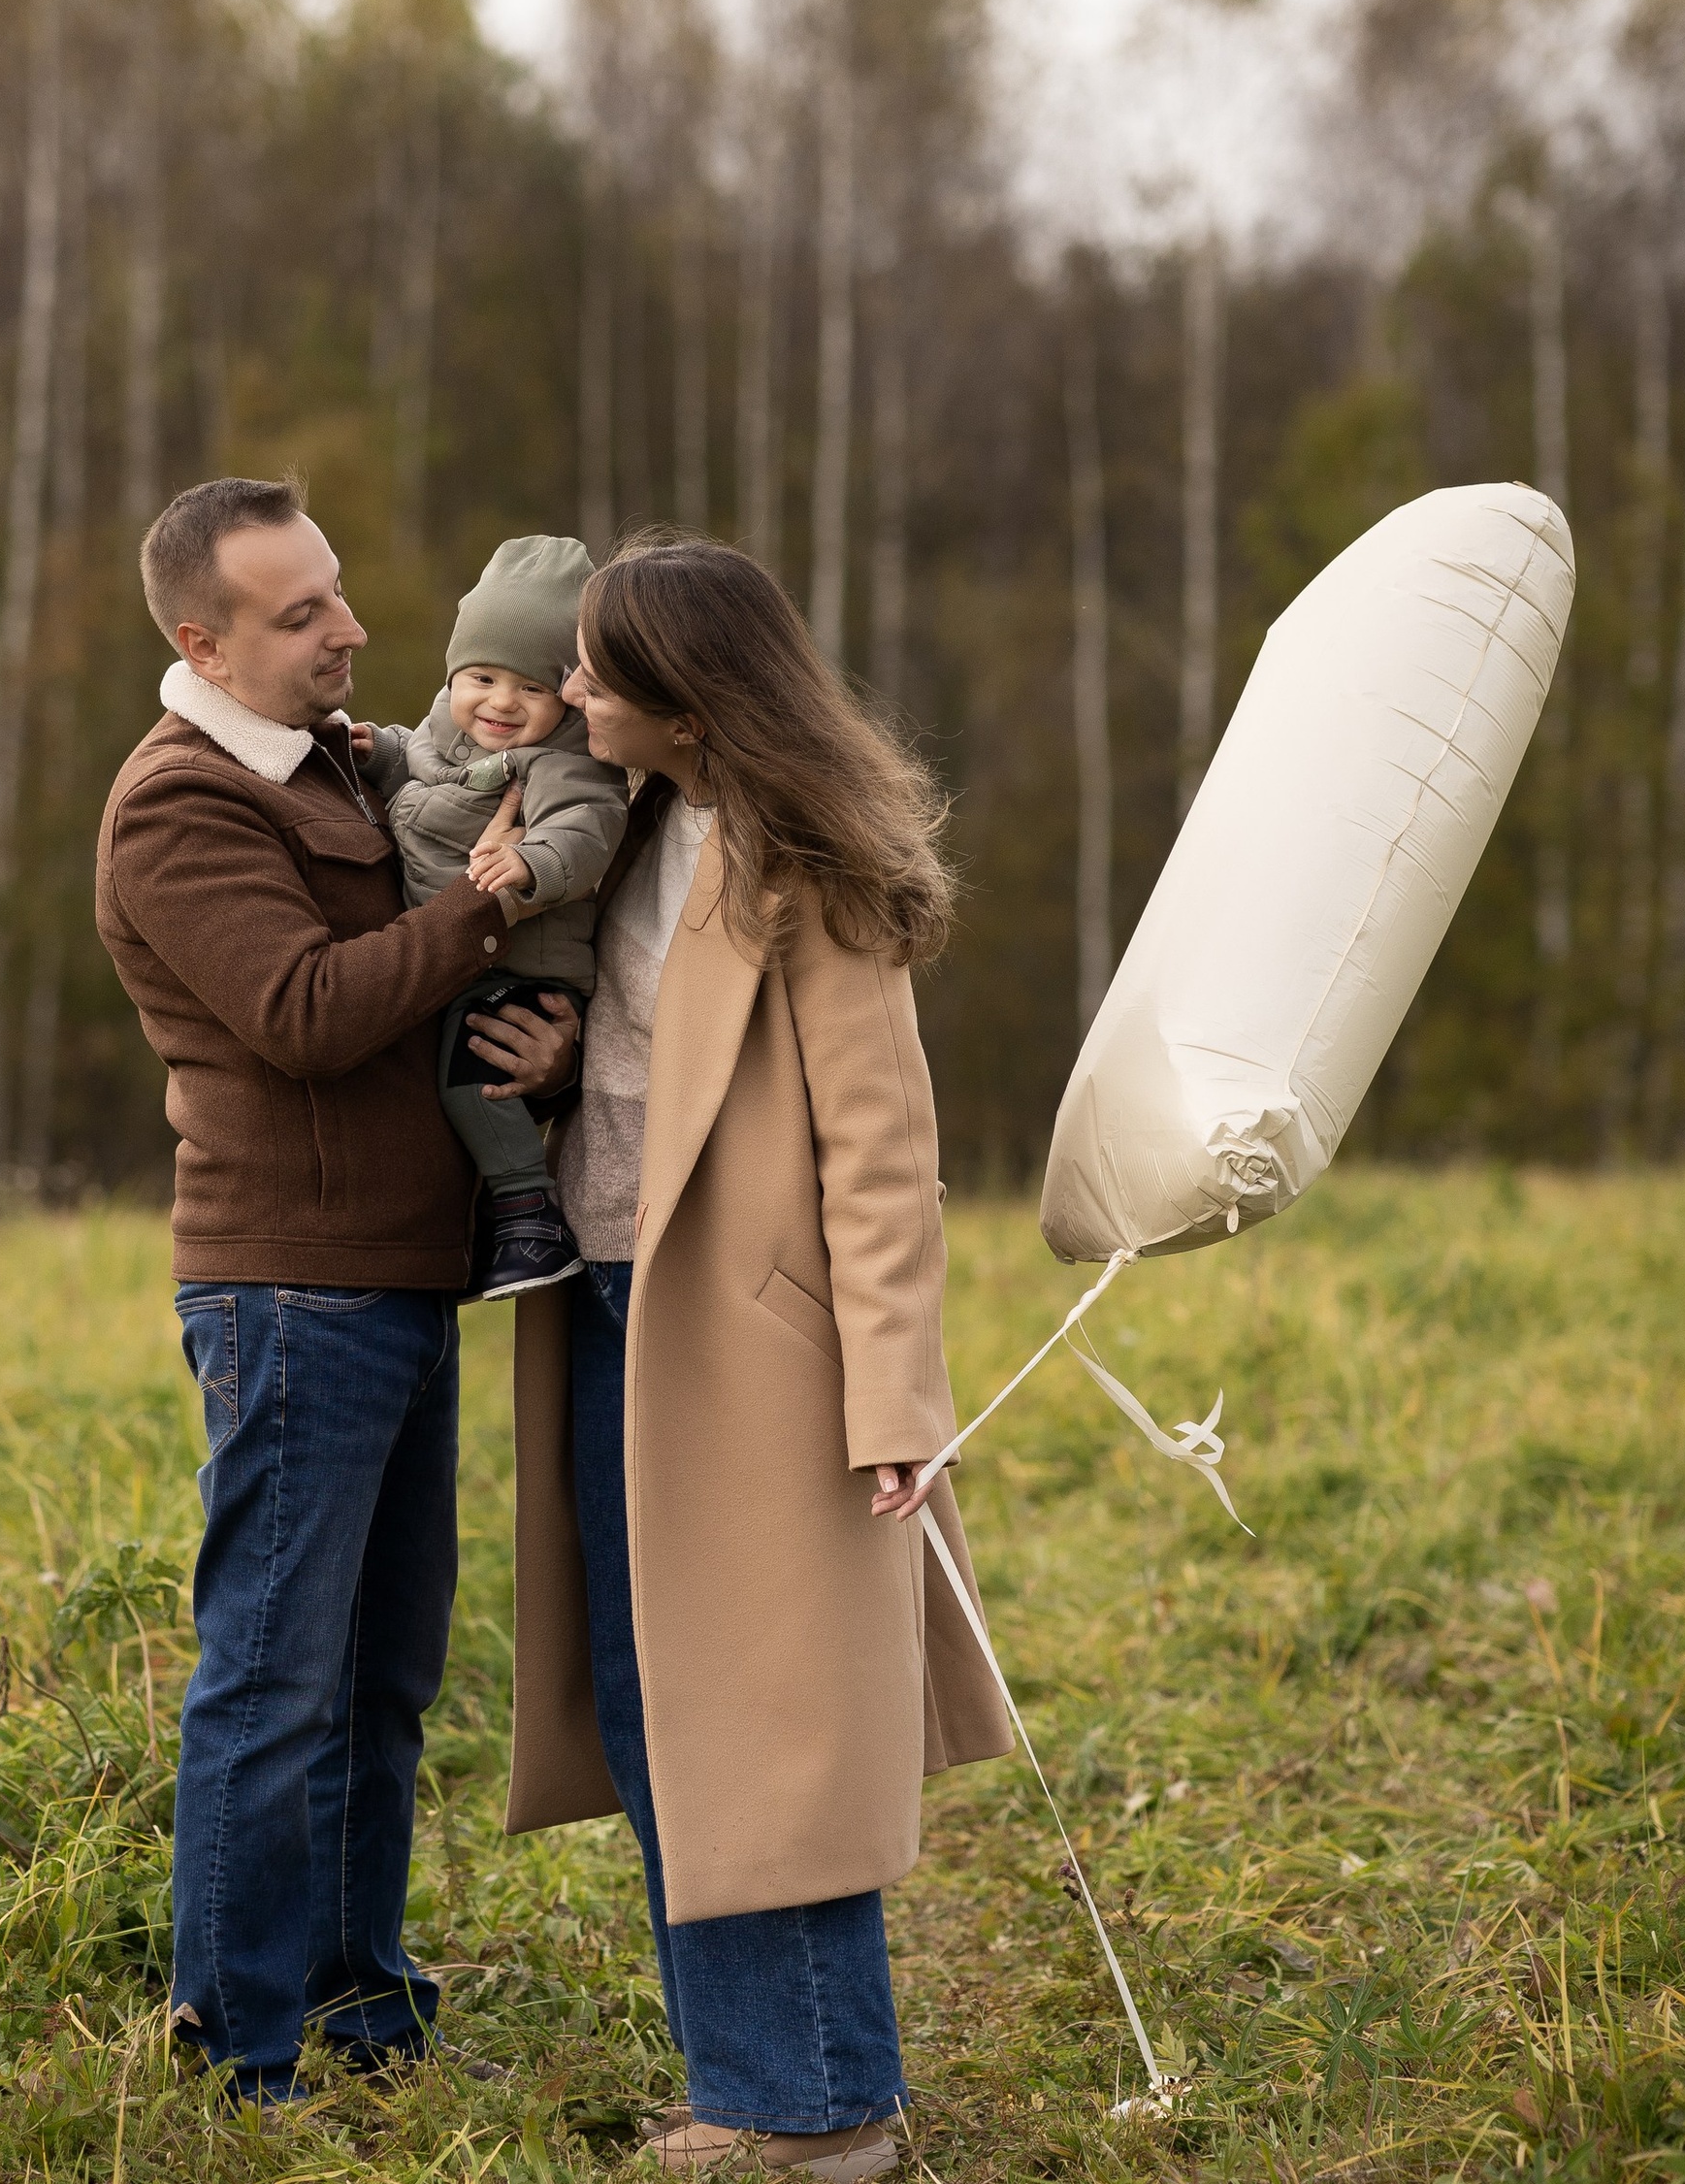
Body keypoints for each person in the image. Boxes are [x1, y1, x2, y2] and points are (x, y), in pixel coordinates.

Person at [481, 531, 1016, 2180]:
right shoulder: (627, 827)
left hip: (755, 1351)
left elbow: (880, 1155)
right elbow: (651, 1073)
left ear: (680, 698)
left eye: (592, 667)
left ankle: (824, 2119)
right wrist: (562, 1073)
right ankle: (760, 2089)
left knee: (764, 1727)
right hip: (612, 1309)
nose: (570, 689)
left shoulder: (812, 872)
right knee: (655, 1712)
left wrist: (893, 1400)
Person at [93, 474, 563, 2103]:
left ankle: (368, 2008)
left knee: (381, 1678)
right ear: (202, 642)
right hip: (288, 1292)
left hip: (395, 1281)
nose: (350, 631)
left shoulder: (356, 762)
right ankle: (240, 2050)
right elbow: (299, 1010)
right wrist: (484, 907)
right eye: (301, 616)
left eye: (343, 594)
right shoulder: (180, 805)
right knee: (276, 1679)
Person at [356, 534, 631, 1300]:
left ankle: (527, 1217)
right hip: (464, 956)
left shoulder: (566, 761)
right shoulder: (450, 724)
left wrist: (532, 864)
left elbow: (588, 828)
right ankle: (494, 1215)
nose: (501, 703)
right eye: (482, 677)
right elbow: (424, 768)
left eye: (532, 688)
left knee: (474, 1078)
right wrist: (379, 753)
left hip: (523, 968)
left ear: (567, 695)